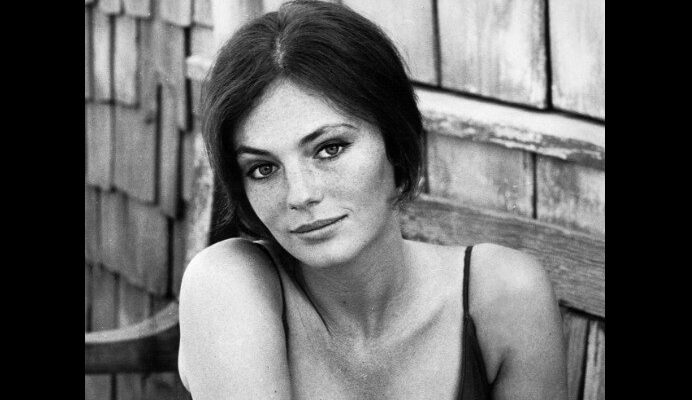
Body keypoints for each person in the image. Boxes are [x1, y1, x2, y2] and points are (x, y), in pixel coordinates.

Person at [178, 1, 567, 399]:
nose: (300, 195)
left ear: (394, 145)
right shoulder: (228, 285)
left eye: (329, 149)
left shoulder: (504, 295)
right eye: (263, 169)